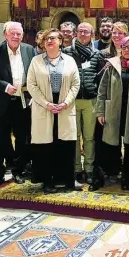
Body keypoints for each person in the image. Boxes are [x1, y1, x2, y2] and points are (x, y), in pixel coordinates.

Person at [27, 28, 80, 193]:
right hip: (44, 109)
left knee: (65, 145)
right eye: (46, 39)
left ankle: (68, 180)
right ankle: (47, 181)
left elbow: (75, 84)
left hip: (64, 108)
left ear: (60, 42)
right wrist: (46, 104)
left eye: (53, 38)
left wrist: (66, 102)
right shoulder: (36, 61)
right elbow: (31, 85)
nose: (49, 41)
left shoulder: (70, 60)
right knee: (45, 147)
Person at [0, 21, 36, 188]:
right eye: (12, 33)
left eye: (19, 34)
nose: (16, 36)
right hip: (0, 102)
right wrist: (4, 86)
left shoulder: (29, 49)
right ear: (5, 34)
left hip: (22, 102)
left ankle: (18, 171)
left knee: (22, 139)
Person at [93, 36, 129, 191]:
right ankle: (112, 172)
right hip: (113, 110)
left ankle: (127, 175)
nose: (127, 50)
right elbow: (101, 91)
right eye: (124, 47)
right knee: (112, 144)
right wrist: (100, 111)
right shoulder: (112, 64)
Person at [63, 22, 104, 184]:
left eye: (86, 32)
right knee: (74, 136)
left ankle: (89, 168)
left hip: (90, 100)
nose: (82, 34)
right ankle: (76, 168)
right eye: (80, 31)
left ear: (92, 34)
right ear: (75, 33)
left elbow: (100, 77)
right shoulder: (67, 52)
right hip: (72, 100)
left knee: (89, 137)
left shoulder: (97, 54)